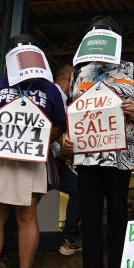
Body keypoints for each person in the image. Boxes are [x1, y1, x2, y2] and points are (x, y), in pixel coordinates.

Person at [0, 35, 66, 268]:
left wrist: (42, 142)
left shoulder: (49, 88)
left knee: (27, 214)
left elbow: (60, 123)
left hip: (30, 158)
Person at [70, 16, 134, 268]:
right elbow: (72, 107)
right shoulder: (80, 70)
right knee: (89, 214)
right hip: (88, 153)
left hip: (121, 155)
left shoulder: (133, 70)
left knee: (118, 214)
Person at [52, 62, 82, 256]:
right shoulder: (56, 96)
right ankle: (70, 239)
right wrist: (59, 144)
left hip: (50, 158)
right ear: (69, 79)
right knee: (79, 189)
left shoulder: (61, 99)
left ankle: (3, 252)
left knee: (24, 205)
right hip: (48, 158)